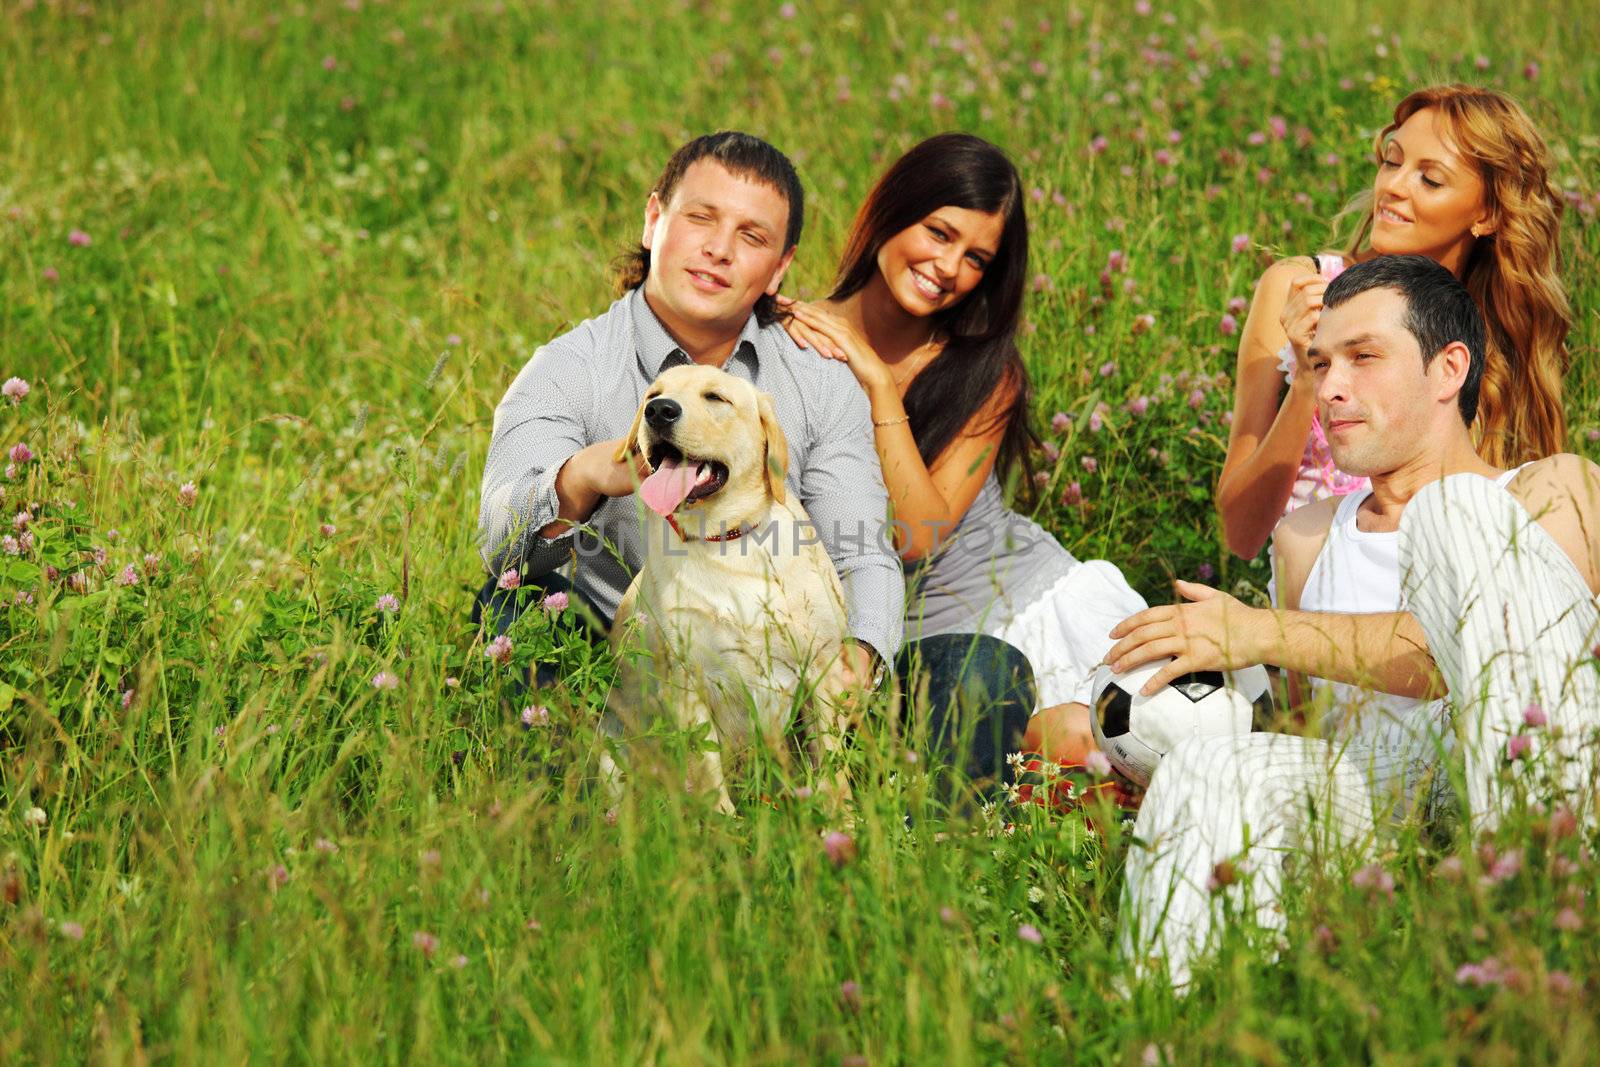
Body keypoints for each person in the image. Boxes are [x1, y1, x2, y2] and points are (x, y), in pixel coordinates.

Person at [1102, 255, 1600, 989]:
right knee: (1216, 766)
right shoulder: (1307, 535)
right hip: (1372, 806)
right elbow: (1310, 731)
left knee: (1453, 512)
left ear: (1447, 369)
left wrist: (1261, 631)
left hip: (1523, 788)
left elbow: (1463, 656)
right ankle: (1163, 1020)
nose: (1330, 387)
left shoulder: (1554, 486)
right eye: (1319, 361)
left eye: (1363, 357)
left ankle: (1537, 921)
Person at [476, 131, 902, 718]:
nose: (719, 250)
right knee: (513, 608)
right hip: (618, 671)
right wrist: (581, 477)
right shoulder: (568, 368)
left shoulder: (819, 380)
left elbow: (861, 551)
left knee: (969, 670)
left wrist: (857, 660)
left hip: (781, 674)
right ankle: (561, 800)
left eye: (751, 237)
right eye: (701, 218)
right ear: (654, 221)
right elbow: (498, 548)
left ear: (779, 269)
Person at [777, 133, 1147, 776]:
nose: (949, 267)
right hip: (906, 645)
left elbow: (915, 534)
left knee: (1120, 763)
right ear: (889, 212)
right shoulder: (786, 339)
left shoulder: (984, 371)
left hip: (1024, 610)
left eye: (976, 257)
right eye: (939, 233)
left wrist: (877, 381)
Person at [1217, 84, 1572, 559]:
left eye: (1430, 179)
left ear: (1486, 213)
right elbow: (1240, 536)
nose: (1393, 187)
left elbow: (1529, 531)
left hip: (1442, 605)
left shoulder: (1497, 333)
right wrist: (1307, 377)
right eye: (1392, 160)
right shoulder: (1300, 288)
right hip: (1312, 596)